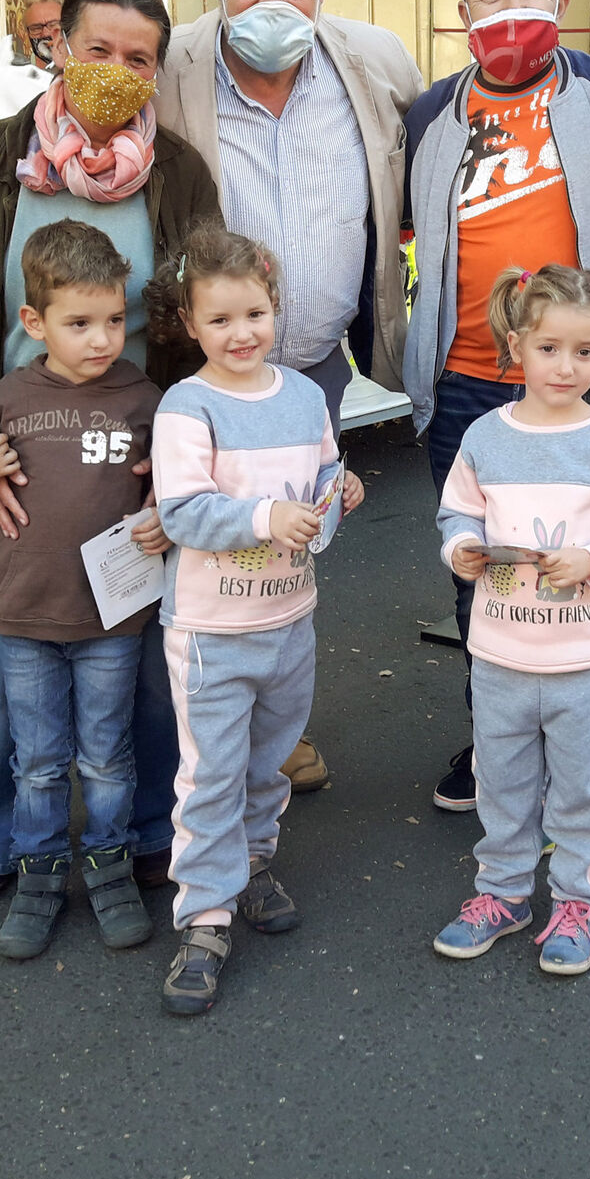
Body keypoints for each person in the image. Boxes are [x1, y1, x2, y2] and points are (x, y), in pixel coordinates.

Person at [0, 0, 423, 793]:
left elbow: (422, 173)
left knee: (172, 630)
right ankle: (1, 839)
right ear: (59, 46)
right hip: (30, 438)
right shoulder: (11, 153)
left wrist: (180, 445)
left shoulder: (350, 73)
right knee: (5, 664)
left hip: (208, 411)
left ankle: (185, 797)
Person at [0, 0, 219, 909]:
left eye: (140, 59)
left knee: (142, 668)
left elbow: (195, 321)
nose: (116, 72)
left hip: (129, 451)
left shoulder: (178, 174)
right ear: (57, 44)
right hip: (14, 452)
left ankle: (142, 836)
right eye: (98, 50)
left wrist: (175, 458)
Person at [403, 0, 590, 811]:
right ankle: (495, 746)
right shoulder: (431, 111)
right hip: (470, 384)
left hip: (584, 385)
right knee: (484, 575)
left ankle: (585, 751)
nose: (513, 9)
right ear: (462, 9)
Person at [146, 224, 364, 1015]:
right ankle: (204, 914)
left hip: (289, 618)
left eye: (254, 314)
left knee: (269, 761)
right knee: (210, 771)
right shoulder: (187, 405)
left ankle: (251, 863)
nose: (241, 334)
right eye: (220, 319)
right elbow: (184, 512)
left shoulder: (305, 396)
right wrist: (270, 514)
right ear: (190, 324)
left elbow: (324, 476)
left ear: (276, 308)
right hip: (209, 629)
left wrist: (338, 497)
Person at [0, 220, 159, 959]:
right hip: (23, 620)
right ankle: (37, 873)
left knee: (104, 754)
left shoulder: (144, 399)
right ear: (34, 322)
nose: (102, 339)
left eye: (115, 320)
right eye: (79, 323)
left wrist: (167, 507)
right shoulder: (4, 399)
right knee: (35, 760)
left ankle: (111, 865)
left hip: (112, 621)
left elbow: (181, 488)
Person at [431, 265, 590, 977]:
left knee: (580, 789)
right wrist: (460, 547)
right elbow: (456, 512)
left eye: (584, 352)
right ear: (516, 344)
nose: (566, 367)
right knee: (499, 783)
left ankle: (574, 901)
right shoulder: (483, 435)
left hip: (583, 661)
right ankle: (501, 894)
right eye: (548, 349)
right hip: (500, 653)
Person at [21, 0, 64, 73]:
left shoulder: (88, 70)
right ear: (27, 34)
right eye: (36, 28)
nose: (46, 33)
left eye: (53, 25)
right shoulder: (22, 77)